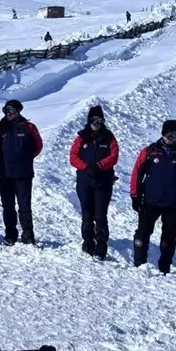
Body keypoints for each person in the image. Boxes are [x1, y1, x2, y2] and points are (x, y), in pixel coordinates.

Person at [130, 120, 176, 273]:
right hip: (151, 201)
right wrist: (135, 196)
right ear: (162, 133)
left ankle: (164, 268)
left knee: (169, 238)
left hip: (173, 203)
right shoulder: (149, 151)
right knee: (142, 233)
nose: (171, 137)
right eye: (168, 133)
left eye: (175, 134)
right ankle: (139, 264)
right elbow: (137, 173)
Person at [0, 99, 43, 245]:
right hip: (4, 172)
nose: (9, 114)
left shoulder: (29, 127)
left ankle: (28, 233)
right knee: (8, 205)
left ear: (18, 111)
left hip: (23, 173)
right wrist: (1, 159)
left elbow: (38, 146)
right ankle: (10, 233)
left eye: (12, 111)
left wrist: (25, 158)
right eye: (6, 111)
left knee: (24, 205)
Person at [69, 105, 119, 260]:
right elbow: (73, 156)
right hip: (85, 180)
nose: (97, 123)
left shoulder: (109, 138)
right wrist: (85, 167)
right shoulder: (82, 137)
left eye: (100, 120)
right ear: (89, 120)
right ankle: (88, 243)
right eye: (94, 120)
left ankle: (101, 247)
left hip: (103, 181)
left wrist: (99, 166)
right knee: (87, 213)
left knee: (100, 215)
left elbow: (114, 156)